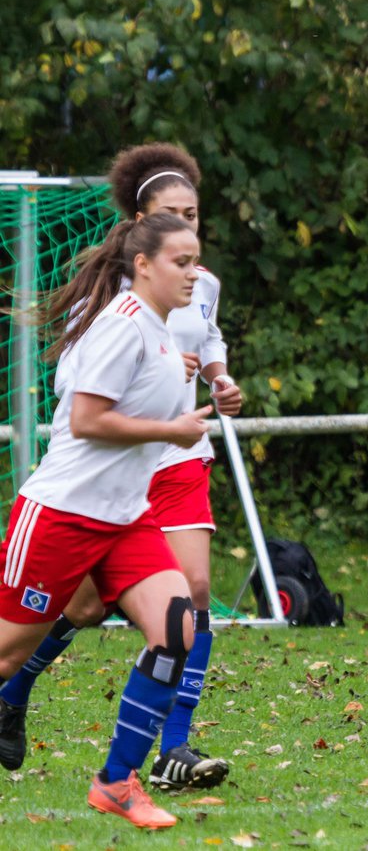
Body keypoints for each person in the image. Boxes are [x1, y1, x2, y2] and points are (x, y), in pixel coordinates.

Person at [0, 144, 242, 792]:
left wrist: (214, 376)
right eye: (174, 219)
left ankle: (169, 751)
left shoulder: (201, 284)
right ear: (142, 231)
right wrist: (163, 383)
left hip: (170, 465)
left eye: (194, 216)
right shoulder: (111, 304)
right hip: (99, 480)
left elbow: (207, 338)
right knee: (76, 611)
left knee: (187, 601)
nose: (190, 238)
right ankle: (16, 688)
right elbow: (83, 397)